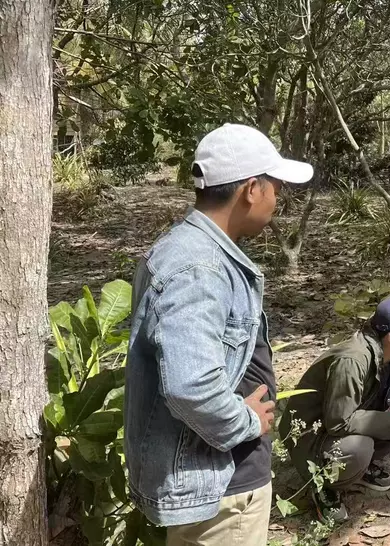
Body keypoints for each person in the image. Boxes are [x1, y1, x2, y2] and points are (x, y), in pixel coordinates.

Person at [124, 123, 313, 545]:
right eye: (276, 188)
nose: (277, 200)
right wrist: (245, 420)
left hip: (220, 478)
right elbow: (191, 385)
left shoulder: (191, 252)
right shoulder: (199, 268)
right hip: (223, 492)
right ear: (251, 189)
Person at [279, 295, 390, 521]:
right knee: (359, 447)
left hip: (346, 421)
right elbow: (338, 421)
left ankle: (361, 469)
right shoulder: (353, 360)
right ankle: (324, 483)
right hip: (311, 435)